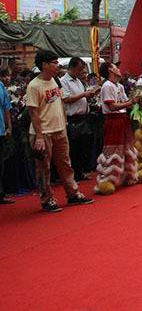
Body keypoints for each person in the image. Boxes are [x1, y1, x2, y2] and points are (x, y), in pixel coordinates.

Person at [27, 49, 93, 212]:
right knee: (44, 168)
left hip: (60, 129)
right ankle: (47, 199)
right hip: (43, 132)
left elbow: (61, 102)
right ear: (44, 65)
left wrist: (64, 123)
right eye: (54, 63)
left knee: (65, 164)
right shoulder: (34, 86)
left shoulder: (56, 81)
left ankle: (73, 194)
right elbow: (33, 113)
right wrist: (39, 137)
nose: (58, 65)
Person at [95, 62, 139, 195]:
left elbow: (126, 103)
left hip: (123, 119)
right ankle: (106, 181)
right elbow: (112, 106)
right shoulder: (107, 86)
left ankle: (128, 176)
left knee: (127, 148)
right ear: (110, 70)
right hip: (113, 120)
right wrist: (130, 102)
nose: (119, 69)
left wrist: (136, 101)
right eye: (116, 67)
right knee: (112, 150)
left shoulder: (119, 85)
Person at [60, 57, 99, 181]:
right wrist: (83, 94)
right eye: (79, 69)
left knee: (83, 147)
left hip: (83, 117)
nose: (81, 72)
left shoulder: (78, 81)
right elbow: (66, 99)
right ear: (72, 67)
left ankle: (80, 172)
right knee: (74, 148)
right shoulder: (63, 81)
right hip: (73, 119)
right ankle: (74, 174)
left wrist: (89, 95)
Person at [0, 73, 12, 204]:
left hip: (1, 129)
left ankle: (1, 194)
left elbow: (6, 107)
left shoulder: (1, 86)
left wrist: (9, 126)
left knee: (1, 164)